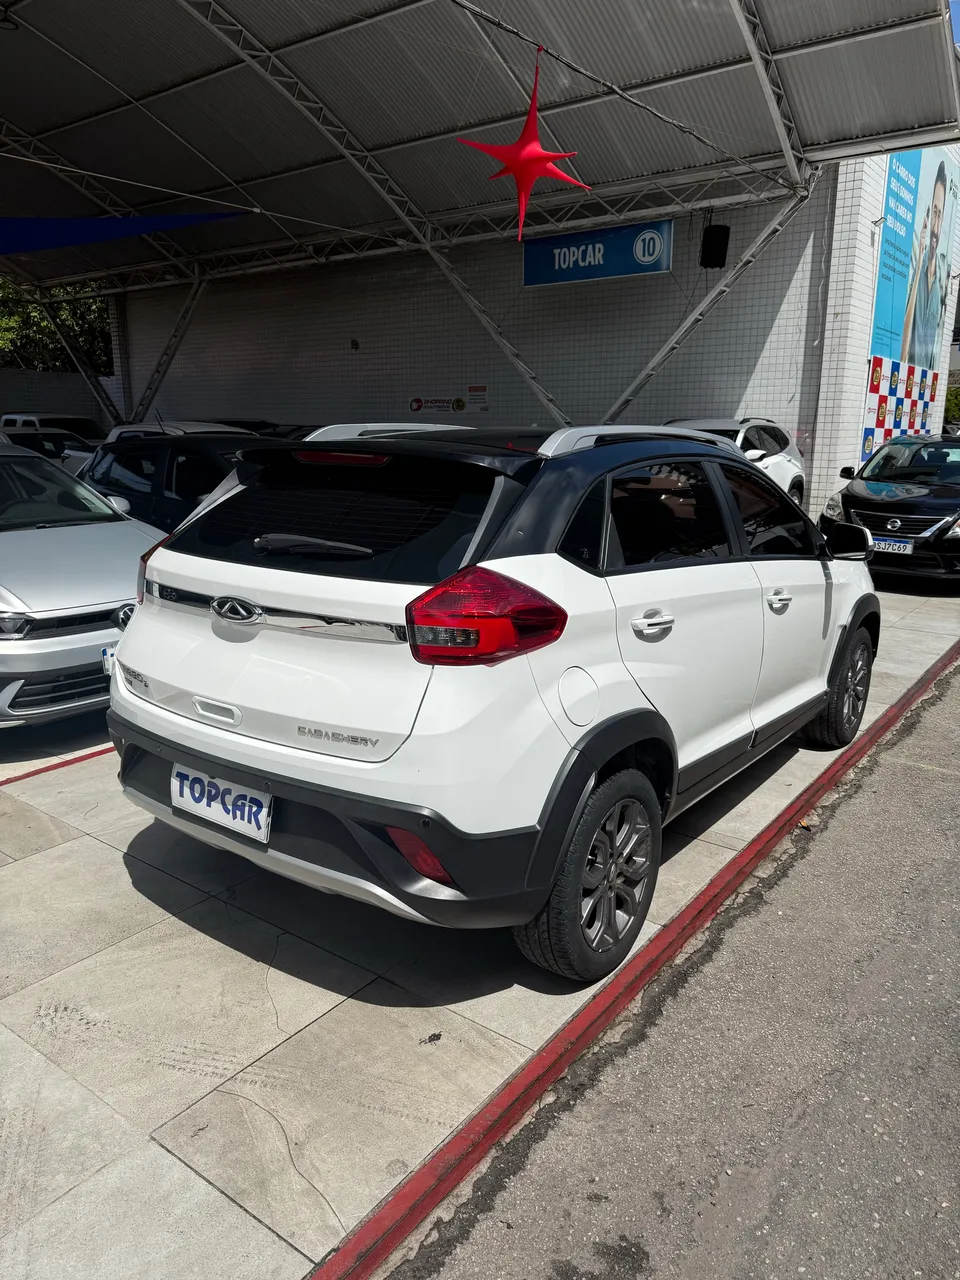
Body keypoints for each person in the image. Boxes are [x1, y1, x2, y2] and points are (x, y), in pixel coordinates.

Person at [901, 161, 947, 369]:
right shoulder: (915, 271)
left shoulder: (941, 287)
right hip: (903, 382)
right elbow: (903, 348)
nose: (935, 225)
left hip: (922, 390)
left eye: (940, 214)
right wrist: (919, 262)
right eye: (934, 212)